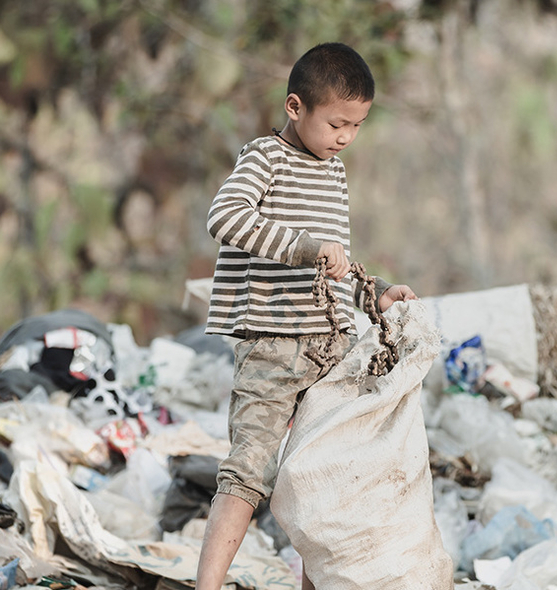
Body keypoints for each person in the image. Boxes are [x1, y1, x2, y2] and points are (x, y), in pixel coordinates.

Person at [195, 42, 417, 590]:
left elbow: (334, 268)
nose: (345, 137)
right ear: (296, 107)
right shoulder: (264, 157)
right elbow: (225, 216)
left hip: (331, 348)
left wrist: (378, 295)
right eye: (337, 123)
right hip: (273, 341)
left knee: (327, 477)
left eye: (357, 126)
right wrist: (301, 247)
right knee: (249, 470)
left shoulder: (334, 173)